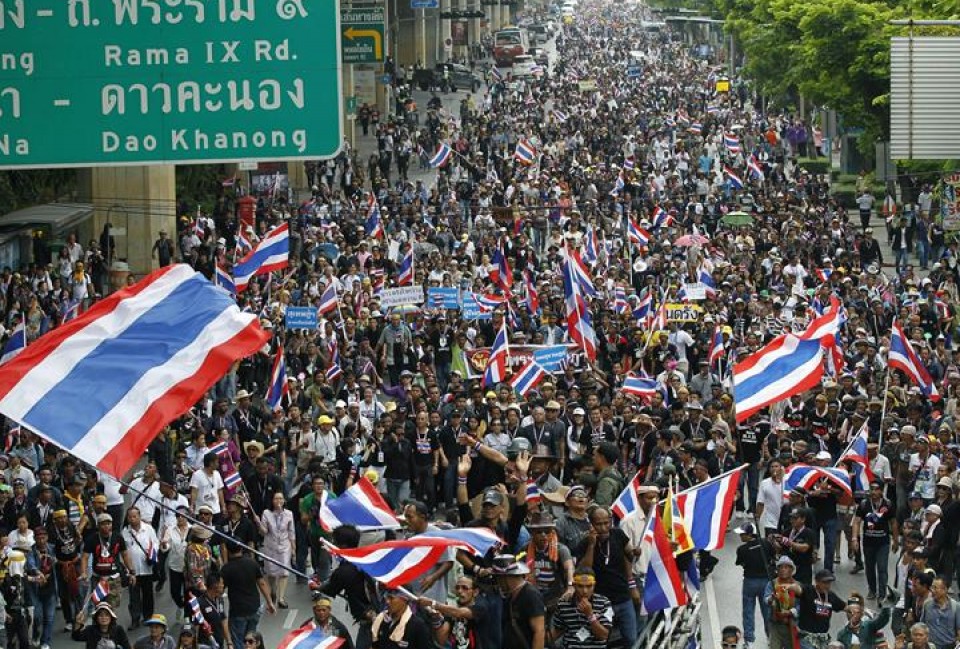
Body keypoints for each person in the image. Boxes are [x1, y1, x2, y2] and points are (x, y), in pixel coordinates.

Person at [220, 542, 275, 649]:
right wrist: (270, 602)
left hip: (238, 612)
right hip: (254, 609)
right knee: (251, 640)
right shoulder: (252, 563)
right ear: (241, 548)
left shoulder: (226, 569)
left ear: (228, 550)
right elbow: (262, 583)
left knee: (239, 642)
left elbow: (220, 590)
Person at [853, 479, 899, 601]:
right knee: (869, 567)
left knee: (882, 568)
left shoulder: (888, 504)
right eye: (871, 489)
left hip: (883, 542)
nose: (873, 492)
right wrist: (854, 539)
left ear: (882, 491)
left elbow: (893, 522)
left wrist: (896, 540)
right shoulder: (864, 504)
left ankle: (882, 593)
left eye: (876, 489)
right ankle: (872, 590)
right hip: (868, 542)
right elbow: (857, 522)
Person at [419, 574, 490, 649]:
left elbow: (460, 613)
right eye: (457, 587)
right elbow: (441, 640)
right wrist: (436, 620)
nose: (459, 591)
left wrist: (432, 603)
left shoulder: (481, 606)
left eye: (464, 588)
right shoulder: (452, 610)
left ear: (475, 592)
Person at [549, 566, 613, 649]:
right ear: (574, 585)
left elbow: (604, 636)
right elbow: (558, 630)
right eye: (580, 586)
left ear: (594, 585)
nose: (585, 591)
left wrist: (590, 615)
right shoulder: (563, 604)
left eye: (589, 586)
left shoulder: (605, 603)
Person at [493, 554, 546, 649]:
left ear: (505, 577)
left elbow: (539, 631)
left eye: (498, 578)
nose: (498, 582)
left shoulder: (531, 595)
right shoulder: (509, 595)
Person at [735, 522, 773, 647]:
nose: (740, 536)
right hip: (766, 582)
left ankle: (749, 640)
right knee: (767, 611)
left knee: (748, 612)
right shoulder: (766, 543)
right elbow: (772, 557)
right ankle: (771, 637)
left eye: (742, 534)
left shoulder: (742, 549)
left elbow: (740, 563)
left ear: (749, 534)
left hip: (750, 582)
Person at [255, 491, 295, 609]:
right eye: (276, 499)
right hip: (270, 546)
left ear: (284, 501)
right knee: (271, 573)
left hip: (284, 546)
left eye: (281, 499)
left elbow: (291, 532)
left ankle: (281, 598)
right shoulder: (267, 513)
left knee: (284, 572)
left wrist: (293, 548)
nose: (279, 501)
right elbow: (264, 532)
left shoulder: (289, 514)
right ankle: (273, 591)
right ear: (272, 501)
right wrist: (258, 523)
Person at [789, 570, 847, 649]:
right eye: (824, 582)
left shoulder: (831, 596)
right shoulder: (808, 590)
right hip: (807, 638)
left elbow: (845, 607)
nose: (827, 585)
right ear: (817, 581)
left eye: (829, 583)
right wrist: (792, 587)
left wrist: (858, 608)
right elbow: (798, 589)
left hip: (823, 639)